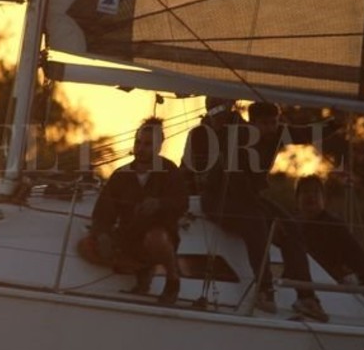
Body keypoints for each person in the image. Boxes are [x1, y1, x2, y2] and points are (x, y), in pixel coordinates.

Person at [195, 100, 335, 321]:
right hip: (220, 199)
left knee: (291, 227)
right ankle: (264, 289)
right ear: (252, 123)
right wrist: (225, 103)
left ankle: (306, 297)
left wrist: (336, 123)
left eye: (274, 122)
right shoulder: (238, 136)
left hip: (251, 199)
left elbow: (305, 133)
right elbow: (238, 184)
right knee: (256, 225)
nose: (271, 128)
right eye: (265, 123)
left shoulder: (277, 133)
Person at [87, 118, 185, 304]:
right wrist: (102, 234)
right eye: (138, 142)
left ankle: (172, 279)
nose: (141, 148)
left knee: (156, 238)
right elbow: (102, 212)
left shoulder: (170, 171)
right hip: (127, 236)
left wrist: (159, 204)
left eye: (148, 144)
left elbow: (181, 203)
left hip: (160, 236)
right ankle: (142, 271)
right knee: (89, 246)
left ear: (159, 146)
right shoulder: (120, 175)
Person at [293, 175, 364, 286]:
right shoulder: (291, 226)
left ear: (323, 199)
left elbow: (361, 262)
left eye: (316, 192)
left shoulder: (334, 226)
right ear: (297, 198)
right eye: (305, 192)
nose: (310, 196)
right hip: (297, 285)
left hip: (328, 286)